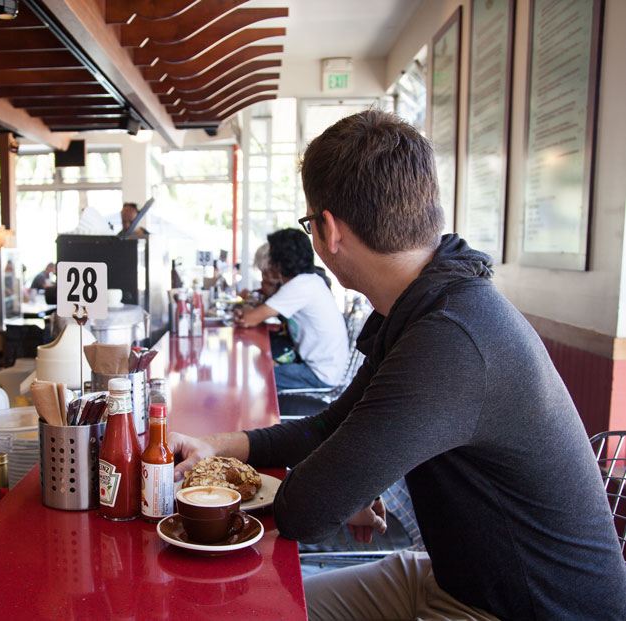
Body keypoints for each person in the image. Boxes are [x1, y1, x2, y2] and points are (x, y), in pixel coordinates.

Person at [170, 110, 626, 620]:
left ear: (327, 230)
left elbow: (306, 511)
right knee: (256, 610)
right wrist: (216, 445)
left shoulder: (451, 338)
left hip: (527, 609)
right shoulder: (427, 306)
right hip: (458, 576)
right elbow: (329, 426)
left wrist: (341, 486)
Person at [236, 229, 349, 390]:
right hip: (323, 366)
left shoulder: (299, 286)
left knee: (260, 375)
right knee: (263, 363)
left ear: (279, 263)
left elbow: (249, 319)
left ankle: (265, 408)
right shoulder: (309, 281)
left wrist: (245, 312)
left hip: (319, 374)